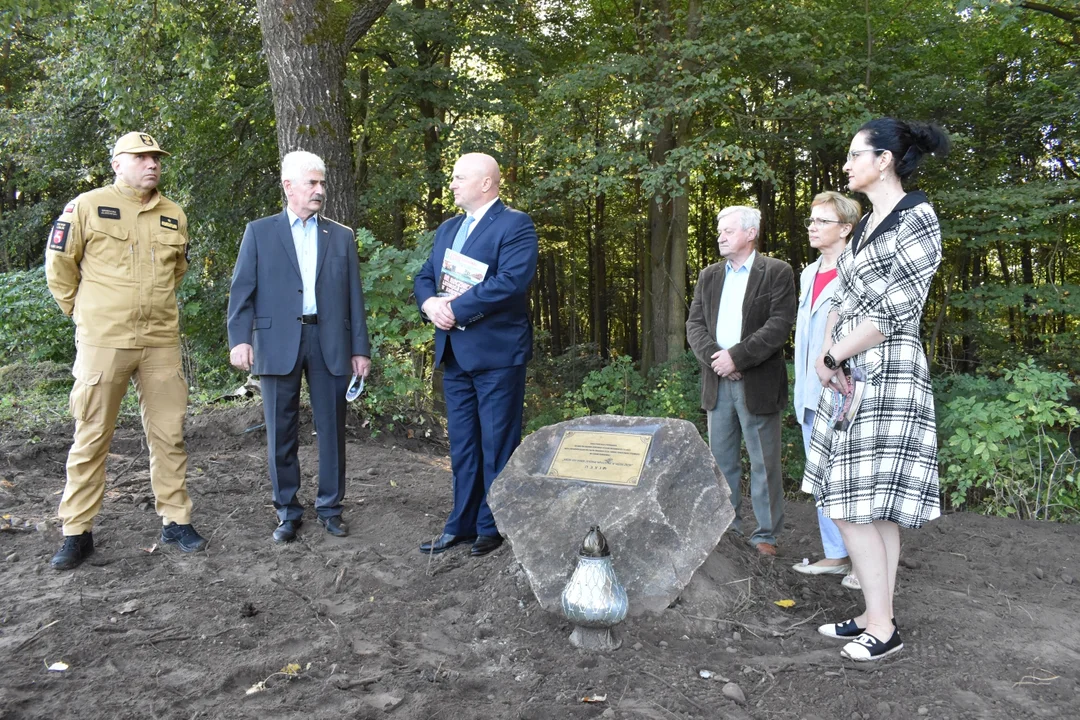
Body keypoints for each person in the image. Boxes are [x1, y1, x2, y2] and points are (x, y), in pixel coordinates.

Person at [804, 118, 950, 661]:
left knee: (850, 503)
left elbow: (895, 310)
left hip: (885, 371)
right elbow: (841, 294)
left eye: (853, 154)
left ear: (883, 159)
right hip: (847, 372)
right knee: (871, 506)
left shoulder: (918, 217)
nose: (845, 165)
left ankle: (884, 629)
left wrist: (833, 355)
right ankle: (871, 612)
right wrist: (827, 351)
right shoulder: (866, 224)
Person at [44, 131, 207, 570]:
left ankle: (176, 520)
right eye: (141, 157)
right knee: (92, 434)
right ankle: (77, 532)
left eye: (155, 158)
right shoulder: (88, 206)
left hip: (160, 340)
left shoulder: (174, 214)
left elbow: (177, 271)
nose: (152, 164)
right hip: (105, 340)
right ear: (117, 163)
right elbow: (59, 265)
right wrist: (81, 312)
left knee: (169, 433)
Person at [227, 151, 371, 543]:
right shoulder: (259, 231)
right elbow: (243, 290)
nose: (320, 190)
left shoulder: (340, 235)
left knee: (333, 430)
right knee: (280, 431)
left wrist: (361, 349)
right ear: (288, 186)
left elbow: (354, 296)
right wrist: (240, 339)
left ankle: (330, 508)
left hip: (331, 342)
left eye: (322, 183)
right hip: (276, 341)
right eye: (312, 183)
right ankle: (287, 511)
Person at [413, 153, 538, 558]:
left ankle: (493, 525)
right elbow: (425, 276)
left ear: (486, 183)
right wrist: (431, 304)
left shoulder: (515, 224)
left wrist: (456, 309)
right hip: (454, 354)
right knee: (463, 445)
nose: (451, 184)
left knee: (497, 443)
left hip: (497, 353)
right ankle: (461, 524)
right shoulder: (448, 229)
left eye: (457, 177)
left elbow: (511, 282)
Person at [686, 206, 796, 556]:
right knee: (721, 462)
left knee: (764, 463)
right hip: (717, 383)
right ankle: (728, 531)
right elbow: (694, 325)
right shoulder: (709, 276)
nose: (720, 236)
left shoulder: (777, 272)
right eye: (720, 230)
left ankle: (766, 535)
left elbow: (779, 325)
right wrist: (718, 359)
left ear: (750, 234)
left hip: (758, 383)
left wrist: (738, 357)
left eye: (728, 230)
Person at [791, 191, 862, 589]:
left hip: (846, 390)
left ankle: (862, 564)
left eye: (822, 221)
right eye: (811, 221)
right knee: (820, 476)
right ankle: (835, 555)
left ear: (846, 228)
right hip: (810, 391)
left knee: (852, 476)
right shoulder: (808, 273)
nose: (813, 228)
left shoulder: (861, 268)